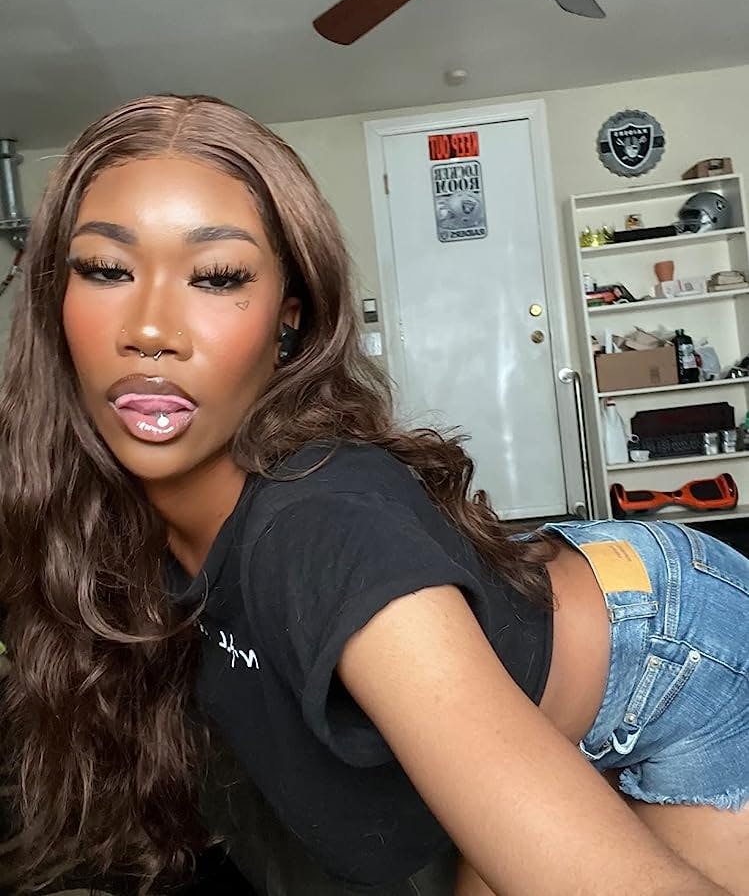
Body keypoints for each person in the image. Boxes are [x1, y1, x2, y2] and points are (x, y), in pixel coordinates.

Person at [0, 94, 746, 896]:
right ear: (54, 300)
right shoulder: (86, 507)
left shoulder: (322, 530)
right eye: (106, 269)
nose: (150, 328)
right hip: (544, 597)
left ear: (288, 321)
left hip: (674, 650)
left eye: (216, 277)